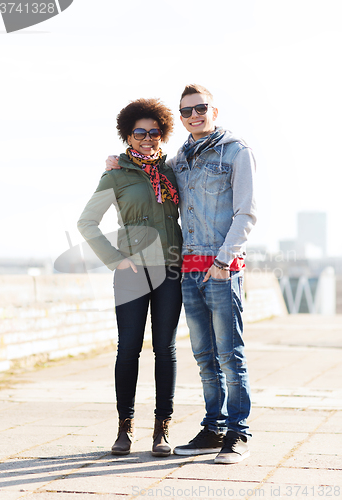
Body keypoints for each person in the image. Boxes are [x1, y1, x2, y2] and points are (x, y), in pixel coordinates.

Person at [105, 84, 257, 464]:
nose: (194, 115)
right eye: (187, 111)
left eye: (201, 108)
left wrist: (223, 262)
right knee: (204, 356)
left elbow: (247, 214)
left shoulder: (237, 151)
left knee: (229, 356)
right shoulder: (181, 160)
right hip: (186, 269)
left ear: (214, 111)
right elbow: (147, 170)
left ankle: (238, 433)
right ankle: (213, 427)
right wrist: (117, 161)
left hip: (221, 268)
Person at [78, 98, 183, 457]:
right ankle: (125, 427)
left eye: (154, 132)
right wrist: (116, 260)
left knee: (165, 351)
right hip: (133, 273)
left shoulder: (171, 171)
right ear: (128, 134)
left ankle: (162, 430)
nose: (148, 138)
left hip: (170, 269)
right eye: (140, 132)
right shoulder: (115, 175)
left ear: (162, 134)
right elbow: (86, 222)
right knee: (128, 349)